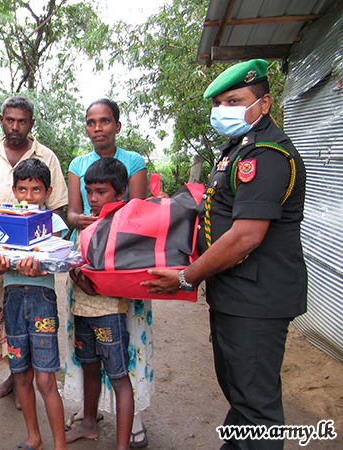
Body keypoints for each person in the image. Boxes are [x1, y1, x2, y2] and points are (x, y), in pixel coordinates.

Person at [142, 59, 307, 450]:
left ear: (264, 103)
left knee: (256, 403)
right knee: (240, 391)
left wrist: (187, 276)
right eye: (219, 103)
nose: (224, 110)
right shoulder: (236, 150)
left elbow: (247, 235)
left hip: (257, 297)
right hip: (237, 293)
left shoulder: (266, 155)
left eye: (235, 100)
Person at [0, 96, 68, 402]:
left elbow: (58, 208)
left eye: (22, 121)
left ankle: (40, 377)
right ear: (1, 120)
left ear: (31, 123)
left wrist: (43, 251)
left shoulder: (46, 157)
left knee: (37, 316)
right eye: (10, 120)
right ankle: (15, 374)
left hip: (34, 261)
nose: (15, 126)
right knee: (3, 314)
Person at [64, 98, 152, 448]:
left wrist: (106, 226)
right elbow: (72, 213)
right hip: (85, 256)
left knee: (124, 353)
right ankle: (89, 416)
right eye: (90, 122)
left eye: (104, 121)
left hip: (119, 262)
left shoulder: (134, 162)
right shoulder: (78, 164)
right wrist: (82, 221)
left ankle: (132, 420)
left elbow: (137, 216)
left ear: (117, 124)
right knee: (86, 352)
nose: (97, 128)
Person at [0, 158, 69, 450]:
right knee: (21, 375)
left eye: (36, 190)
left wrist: (40, 267)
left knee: (46, 380)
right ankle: (35, 438)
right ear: (13, 190)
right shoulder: (4, 220)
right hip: (12, 300)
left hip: (42, 301)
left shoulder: (53, 222)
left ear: (48, 191)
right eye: (22, 189)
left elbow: (56, 261)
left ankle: (60, 445)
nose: (28, 197)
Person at [66, 157, 134, 450]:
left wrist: (84, 281)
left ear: (120, 193)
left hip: (109, 315)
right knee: (90, 367)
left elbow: (114, 277)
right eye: (89, 191)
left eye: (100, 191)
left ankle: (121, 446)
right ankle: (89, 423)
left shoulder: (122, 225)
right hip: (81, 312)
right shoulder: (87, 224)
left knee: (119, 377)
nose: (92, 198)